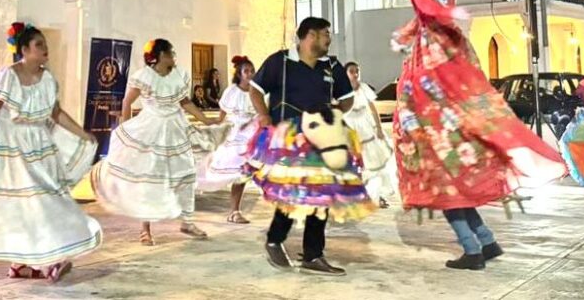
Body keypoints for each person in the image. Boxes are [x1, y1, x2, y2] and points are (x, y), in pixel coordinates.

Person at [390, 0, 567, 271]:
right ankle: (485, 241)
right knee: (452, 175)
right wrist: (411, 30)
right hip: (449, 55)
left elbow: (428, 8)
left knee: (442, 178)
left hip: (434, 67)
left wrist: (442, 15)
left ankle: (472, 250)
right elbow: (428, 13)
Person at [0, 23, 100, 282]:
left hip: (38, 146)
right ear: (24, 50)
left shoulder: (48, 79)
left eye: (45, 44)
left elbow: (55, 113)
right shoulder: (8, 76)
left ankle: (22, 264)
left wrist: (82, 133)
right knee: (27, 203)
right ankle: (47, 263)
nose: (45, 49)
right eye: (39, 44)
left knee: (43, 201)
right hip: (11, 147)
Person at [249, 16, 374, 276]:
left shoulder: (332, 66)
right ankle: (274, 240)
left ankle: (313, 255)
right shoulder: (280, 62)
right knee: (290, 193)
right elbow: (255, 90)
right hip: (289, 140)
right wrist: (263, 115)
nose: (329, 39)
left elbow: (347, 99)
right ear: (311, 36)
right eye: (326, 33)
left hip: (323, 139)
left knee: (321, 195)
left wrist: (334, 113)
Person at [92, 38, 221, 245]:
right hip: (152, 129)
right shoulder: (144, 76)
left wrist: (205, 119)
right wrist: (126, 128)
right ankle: (145, 230)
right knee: (150, 178)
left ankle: (187, 222)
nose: (174, 57)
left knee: (186, 174)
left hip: (175, 129)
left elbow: (185, 102)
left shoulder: (179, 75)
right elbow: (127, 101)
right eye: (170, 53)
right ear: (161, 55)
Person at [197, 55, 258, 223]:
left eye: (252, 70)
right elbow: (222, 115)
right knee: (237, 172)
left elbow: (261, 112)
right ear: (239, 74)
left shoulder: (257, 91)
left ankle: (235, 211)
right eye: (246, 71)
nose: (250, 74)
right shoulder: (232, 91)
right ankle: (234, 211)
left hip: (252, 133)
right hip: (236, 134)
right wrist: (216, 127)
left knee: (245, 173)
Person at [343, 61, 397, 209]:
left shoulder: (364, 88)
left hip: (366, 127)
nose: (355, 74)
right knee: (353, 164)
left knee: (374, 163)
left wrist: (379, 128)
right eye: (351, 71)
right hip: (349, 127)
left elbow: (373, 109)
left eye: (357, 71)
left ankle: (377, 196)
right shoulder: (341, 90)